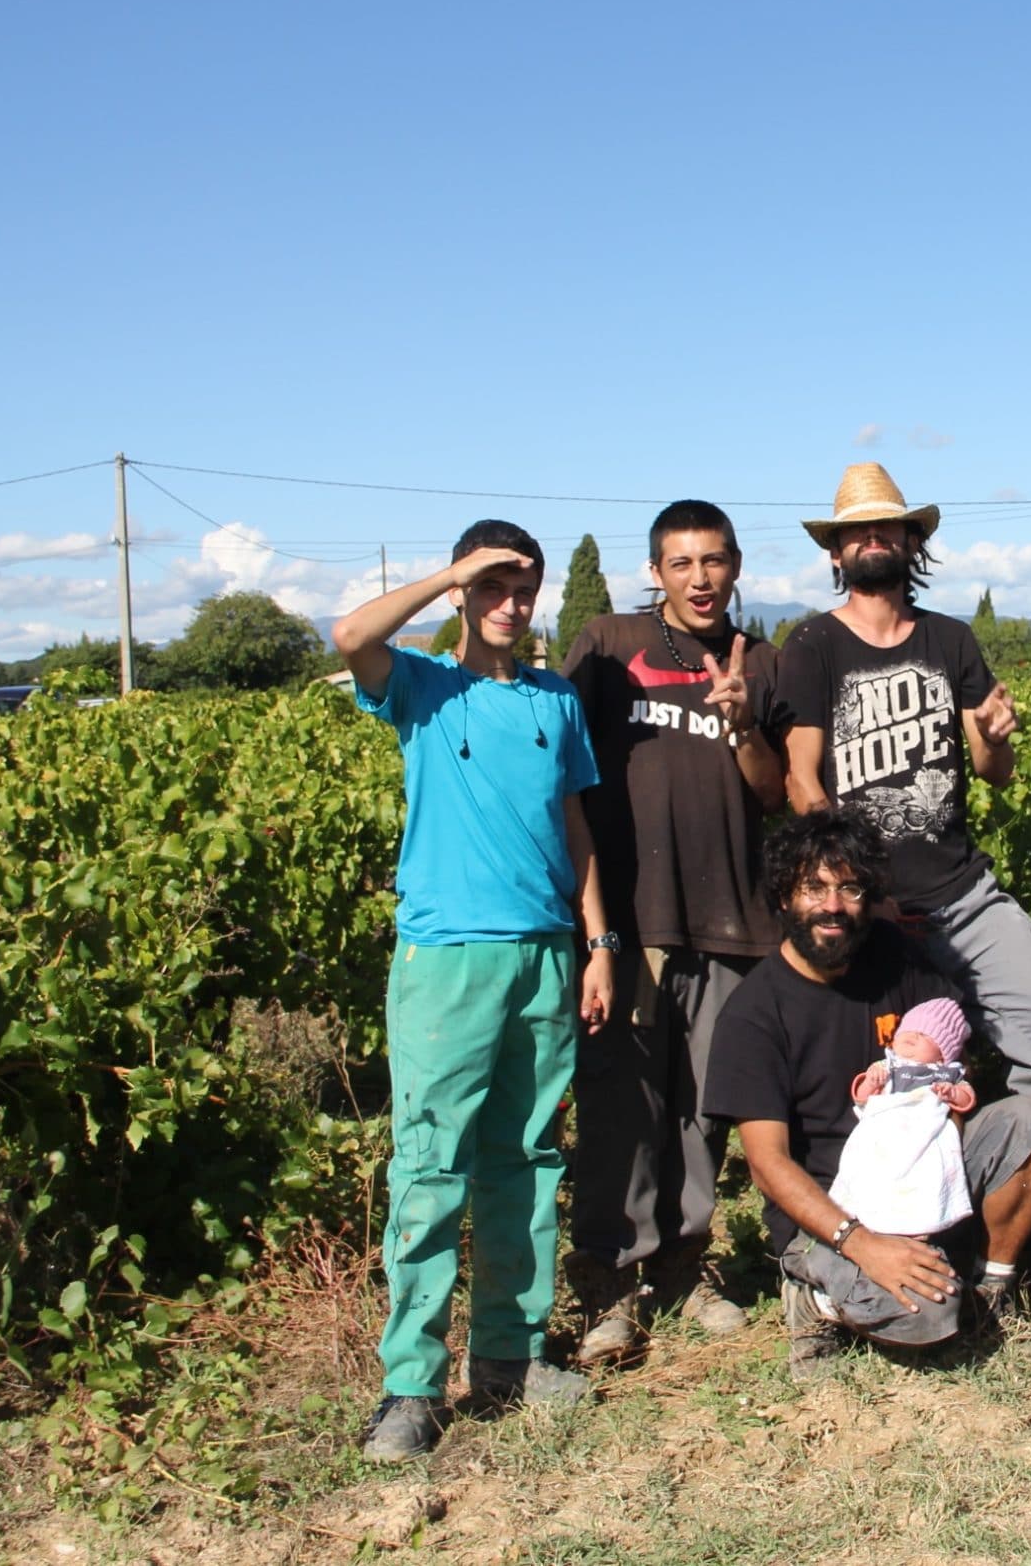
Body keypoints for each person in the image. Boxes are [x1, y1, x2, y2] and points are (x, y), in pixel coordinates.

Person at [331, 521, 616, 1462]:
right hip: (447, 960)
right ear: (463, 591)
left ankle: (509, 1353)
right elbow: (348, 636)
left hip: (544, 957)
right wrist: (451, 573)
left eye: (522, 587)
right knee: (429, 1165)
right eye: (493, 586)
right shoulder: (421, 686)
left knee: (528, 1159)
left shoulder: (555, 701)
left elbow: (573, 824)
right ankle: (409, 1385)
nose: (510, 603)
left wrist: (599, 939)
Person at [702, 809, 1031, 1381]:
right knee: (928, 1316)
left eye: (849, 888)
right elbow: (768, 1165)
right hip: (837, 1211)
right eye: (814, 888)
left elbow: (955, 1061)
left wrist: (956, 1094)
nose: (833, 905)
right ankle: (813, 1291)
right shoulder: (753, 1014)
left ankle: (991, 1285)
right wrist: (863, 1242)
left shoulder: (897, 960)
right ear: (783, 899)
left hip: (925, 1175)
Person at [559, 500, 790, 1365]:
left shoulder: (757, 661)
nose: (701, 578)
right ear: (654, 571)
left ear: (735, 567)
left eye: (715, 561)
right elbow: (566, 773)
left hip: (734, 918)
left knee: (702, 1110)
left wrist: (740, 724)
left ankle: (686, 1270)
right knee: (623, 1107)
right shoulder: (610, 644)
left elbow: (770, 793)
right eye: (682, 563)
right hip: (633, 916)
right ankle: (611, 1287)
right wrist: (592, 931)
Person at [778, 463, 1031, 1111]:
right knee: (875, 1071)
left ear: (912, 540)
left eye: (887, 524)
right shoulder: (811, 645)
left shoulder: (951, 639)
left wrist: (996, 737)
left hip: (963, 895)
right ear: (836, 551)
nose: (873, 537)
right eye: (857, 531)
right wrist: (853, 885)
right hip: (865, 909)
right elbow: (800, 775)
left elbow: (993, 771)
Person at [826, 997, 980, 1240]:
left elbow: (967, 1099)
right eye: (908, 1030)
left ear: (943, 1054)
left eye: (926, 1035)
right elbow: (862, 1100)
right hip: (883, 1134)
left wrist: (952, 1093)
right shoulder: (887, 1065)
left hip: (924, 1135)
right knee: (869, 1172)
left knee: (924, 1178)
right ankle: (864, 1216)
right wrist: (871, 1082)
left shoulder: (947, 1073)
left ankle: (916, 1225)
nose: (914, 1036)